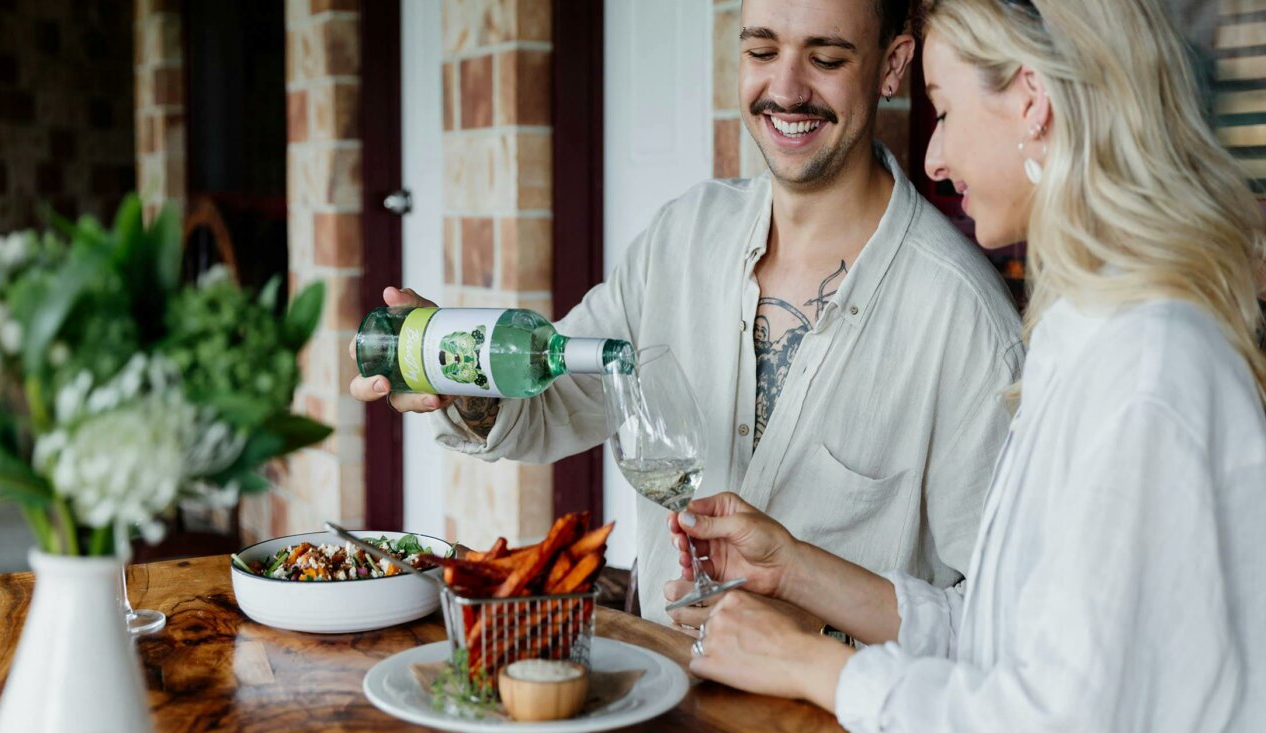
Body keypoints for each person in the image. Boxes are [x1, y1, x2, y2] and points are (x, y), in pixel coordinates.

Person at [665, 0, 1266, 733]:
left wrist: (812, 665)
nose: (932, 157)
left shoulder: (1148, 370)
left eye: (943, 109)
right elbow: (1007, 636)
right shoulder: (1083, 331)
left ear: (1032, 100)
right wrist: (794, 569)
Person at [351, 0, 1024, 626]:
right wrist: (456, 379)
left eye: (826, 59)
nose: (786, 89)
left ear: (892, 66)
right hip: (659, 705)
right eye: (761, 52)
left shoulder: (966, 321)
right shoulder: (682, 236)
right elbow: (549, 402)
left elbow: (996, 617)